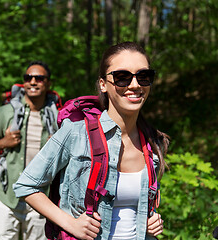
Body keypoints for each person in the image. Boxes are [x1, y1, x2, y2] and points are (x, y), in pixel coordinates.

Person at [13, 42, 169, 240]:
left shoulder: (152, 142)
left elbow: (134, 208)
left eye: (143, 76)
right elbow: (27, 185)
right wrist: (71, 224)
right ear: (103, 84)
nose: (135, 85)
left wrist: (151, 221)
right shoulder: (77, 133)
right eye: (122, 77)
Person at [0, 60, 59, 240]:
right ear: (23, 82)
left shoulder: (57, 116)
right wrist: (3, 142)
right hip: (7, 198)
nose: (33, 81)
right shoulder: (6, 112)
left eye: (39, 78)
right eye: (28, 77)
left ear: (48, 83)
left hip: (41, 200)